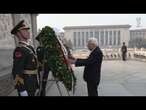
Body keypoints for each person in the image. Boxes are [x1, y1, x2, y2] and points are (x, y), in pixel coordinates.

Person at [11, 20, 39, 96]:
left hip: (33, 83)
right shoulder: (19, 50)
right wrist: (21, 89)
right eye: (24, 30)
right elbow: (16, 72)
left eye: (27, 30)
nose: (28, 32)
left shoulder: (29, 47)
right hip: (26, 85)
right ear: (18, 33)